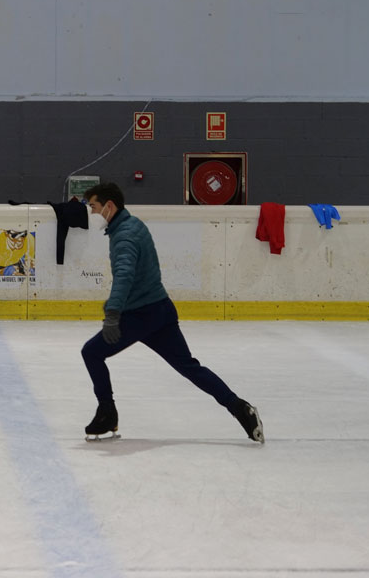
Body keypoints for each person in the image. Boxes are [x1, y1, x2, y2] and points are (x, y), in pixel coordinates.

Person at [80, 182, 264, 444]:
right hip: (160, 309)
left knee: (91, 352)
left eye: (94, 207)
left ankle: (107, 414)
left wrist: (112, 313)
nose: (92, 213)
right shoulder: (133, 225)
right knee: (190, 367)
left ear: (109, 206)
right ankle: (240, 408)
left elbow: (124, 274)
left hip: (140, 316)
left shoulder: (124, 236)